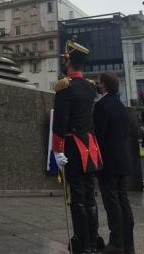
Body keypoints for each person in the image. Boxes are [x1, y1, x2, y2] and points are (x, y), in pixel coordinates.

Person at [52, 38, 103, 254]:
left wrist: (57, 149)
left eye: (66, 59)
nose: (64, 62)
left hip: (73, 145)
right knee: (90, 196)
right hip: (90, 145)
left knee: (77, 197)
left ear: (70, 60)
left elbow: (60, 123)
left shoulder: (65, 86)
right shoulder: (90, 87)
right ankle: (93, 241)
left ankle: (82, 243)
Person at [94, 72, 135, 254]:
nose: (97, 83)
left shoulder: (101, 105)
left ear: (103, 85)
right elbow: (126, 133)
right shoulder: (120, 105)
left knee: (112, 202)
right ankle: (128, 244)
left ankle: (116, 243)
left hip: (108, 161)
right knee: (123, 201)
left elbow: (98, 136)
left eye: (99, 81)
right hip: (122, 159)